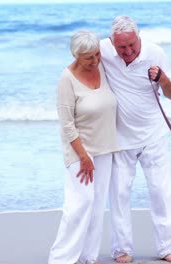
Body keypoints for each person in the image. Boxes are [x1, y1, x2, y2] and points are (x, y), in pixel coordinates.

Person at [99, 16, 171, 263]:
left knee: (161, 192)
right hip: (120, 138)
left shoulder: (156, 53)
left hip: (153, 135)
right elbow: (80, 59)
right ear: (112, 42)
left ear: (139, 37)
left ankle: (167, 248)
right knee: (119, 194)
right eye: (121, 47)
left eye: (132, 45)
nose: (128, 51)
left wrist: (162, 79)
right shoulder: (103, 50)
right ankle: (122, 250)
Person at [48, 30, 119, 264]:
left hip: (106, 147)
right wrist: (84, 156)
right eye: (89, 57)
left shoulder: (102, 67)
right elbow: (67, 125)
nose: (95, 60)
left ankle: (88, 256)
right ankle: (61, 258)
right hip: (80, 151)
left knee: (98, 204)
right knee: (79, 204)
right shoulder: (66, 79)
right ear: (76, 55)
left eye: (97, 54)